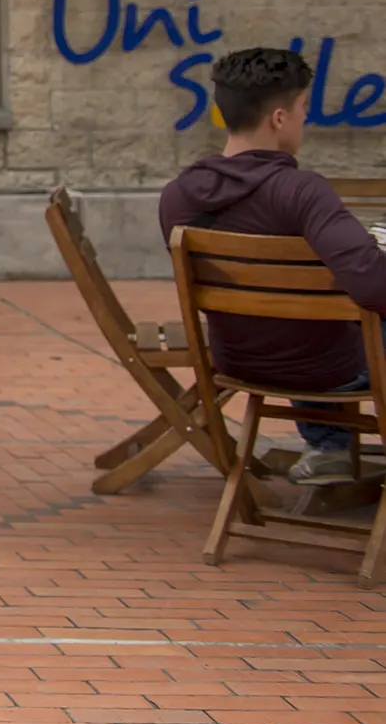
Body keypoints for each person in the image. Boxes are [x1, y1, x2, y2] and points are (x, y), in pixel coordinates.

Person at [157, 47, 386, 486]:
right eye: (303, 108)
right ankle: (329, 443)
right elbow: (374, 286)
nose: (306, 119)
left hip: (236, 361)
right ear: (279, 118)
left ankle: (328, 447)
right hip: (325, 370)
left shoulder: (177, 197)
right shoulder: (302, 193)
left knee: (313, 320)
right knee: (362, 315)